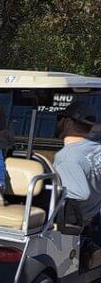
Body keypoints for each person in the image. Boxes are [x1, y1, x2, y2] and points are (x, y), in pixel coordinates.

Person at [53, 101, 101, 267]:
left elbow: (78, 194)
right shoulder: (96, 150)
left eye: (59, 118)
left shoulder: (66, 157)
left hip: (74, 221)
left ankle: (87, 246)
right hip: (94, 214)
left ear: (67, 122)